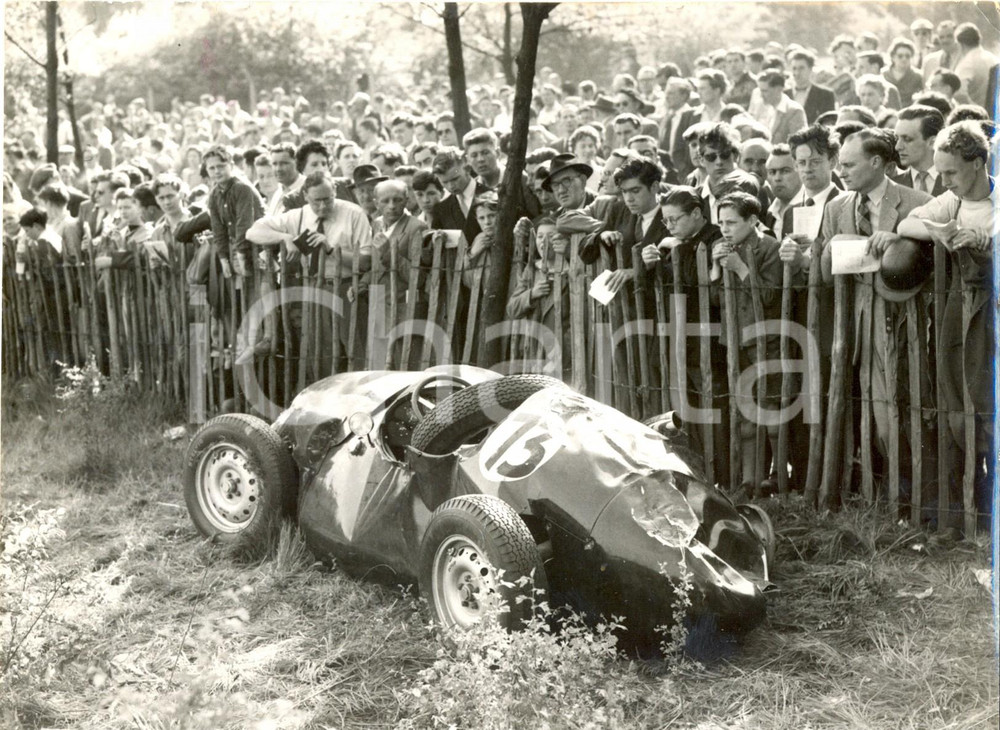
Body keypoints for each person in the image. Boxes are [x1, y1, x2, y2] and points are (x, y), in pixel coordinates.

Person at [819, 128, 932, 491]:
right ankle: (874, 494)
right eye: (839, 164)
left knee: (898, 412)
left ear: (877, 162)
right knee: (858, 413)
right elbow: (821, 274)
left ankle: (915, 495)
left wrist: (900, 240)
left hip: (902, 326)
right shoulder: (836, 208)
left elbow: (935, 270)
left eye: (849, 164)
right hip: (851, 328)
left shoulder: (917, 203)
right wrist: (831, 247)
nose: (841, 171)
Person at [897, 121, 996, 523]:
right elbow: (906, 224)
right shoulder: (951, 201)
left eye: (952, 171)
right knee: (964, 402)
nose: (945, 180)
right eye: (940, 172)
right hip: (968, 320)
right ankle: (974, 506)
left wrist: (985, 242)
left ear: (977, 163)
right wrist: (943, 231)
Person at [246, 170, 372, 368]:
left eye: (328, 199)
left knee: (356, 354)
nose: (322, 206)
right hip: (314, 290)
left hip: (347, 291)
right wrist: (286, 238)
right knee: (320, 355)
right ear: (305, 196)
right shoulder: (298, 216)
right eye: (316, 201)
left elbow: (365, 262)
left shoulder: (354, 214)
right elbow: (253, 232)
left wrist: (330, 249)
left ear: (335, 192)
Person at [709, 191, 782, 494]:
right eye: (721, 222)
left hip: (766, 341)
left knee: (773, 410)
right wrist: (715, 269)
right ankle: (749, 479)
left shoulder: (769, 248)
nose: (725, 229)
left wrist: (739, 267)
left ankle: (779, 478)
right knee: (745, 414)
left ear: (753, 220)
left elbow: (769, 296)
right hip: (735, 342)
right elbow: (715, 300)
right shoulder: (723, 249)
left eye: (732, 222)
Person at [506, 216, 572, 377]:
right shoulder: (532, 270)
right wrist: (532, 294)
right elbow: (512, 309)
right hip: (532, 349)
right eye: (540, 236)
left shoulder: (571, 272)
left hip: (562, 350)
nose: (544, 241)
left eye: (550, 236)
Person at [204, 144, 264, 281]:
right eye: (212, 168)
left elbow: (244, 224)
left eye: (221, 166)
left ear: (231, 165)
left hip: (259, 248)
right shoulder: (214, 194)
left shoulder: (242, 188)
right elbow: (218, 228)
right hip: (238, 250)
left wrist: (241, 254)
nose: (216, 171)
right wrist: (224, 258)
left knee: (262, 295)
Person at [892, 105, 947, 196]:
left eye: (907, 139)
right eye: (897, 138)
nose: (898, 147)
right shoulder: (893, 187)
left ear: (932, 142)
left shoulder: (957, 183)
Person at [659, 77, 699, 179]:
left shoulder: (692, 116)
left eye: (671, 93)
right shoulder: (667, 117)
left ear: (684, 95)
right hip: (667, 171)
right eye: (666, 93)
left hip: (684, 174)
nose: (667, 97)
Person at [952, 22, 999, 110]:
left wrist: (976, 110)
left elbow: (958, 93)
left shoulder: (967, 63)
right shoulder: (993, 58)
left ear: (960, 44)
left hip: (977, 117)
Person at [754, 70, 807, 144]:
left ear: (778, 89)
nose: (761, 95)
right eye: (760, 91)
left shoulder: (795, 111)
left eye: (765, 91)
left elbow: (798, 145)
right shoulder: (765, 108)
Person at [763, 144, 801, 239]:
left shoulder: (811, 206)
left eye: (785, 171)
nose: (777, 178)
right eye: (772, 172)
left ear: (800, 171)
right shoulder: (770, 212)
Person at [788, 50, 836, 124]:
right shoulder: (784, 94)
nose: (797, 73)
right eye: (794, 68)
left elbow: (828, 125)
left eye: (801, 68)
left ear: (810, 69)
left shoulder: (825, 95)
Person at [884, 38, 925, 108]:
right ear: (893, 57)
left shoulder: (917, 76)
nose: (904, 59)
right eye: (900, 56)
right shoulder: (884, 74)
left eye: (907, 56)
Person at [922, 20, 959, 85]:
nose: (945, 40)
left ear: (957, 37)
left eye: (949, 36)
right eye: (941, 37)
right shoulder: (929, 61)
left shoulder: (964, 59)